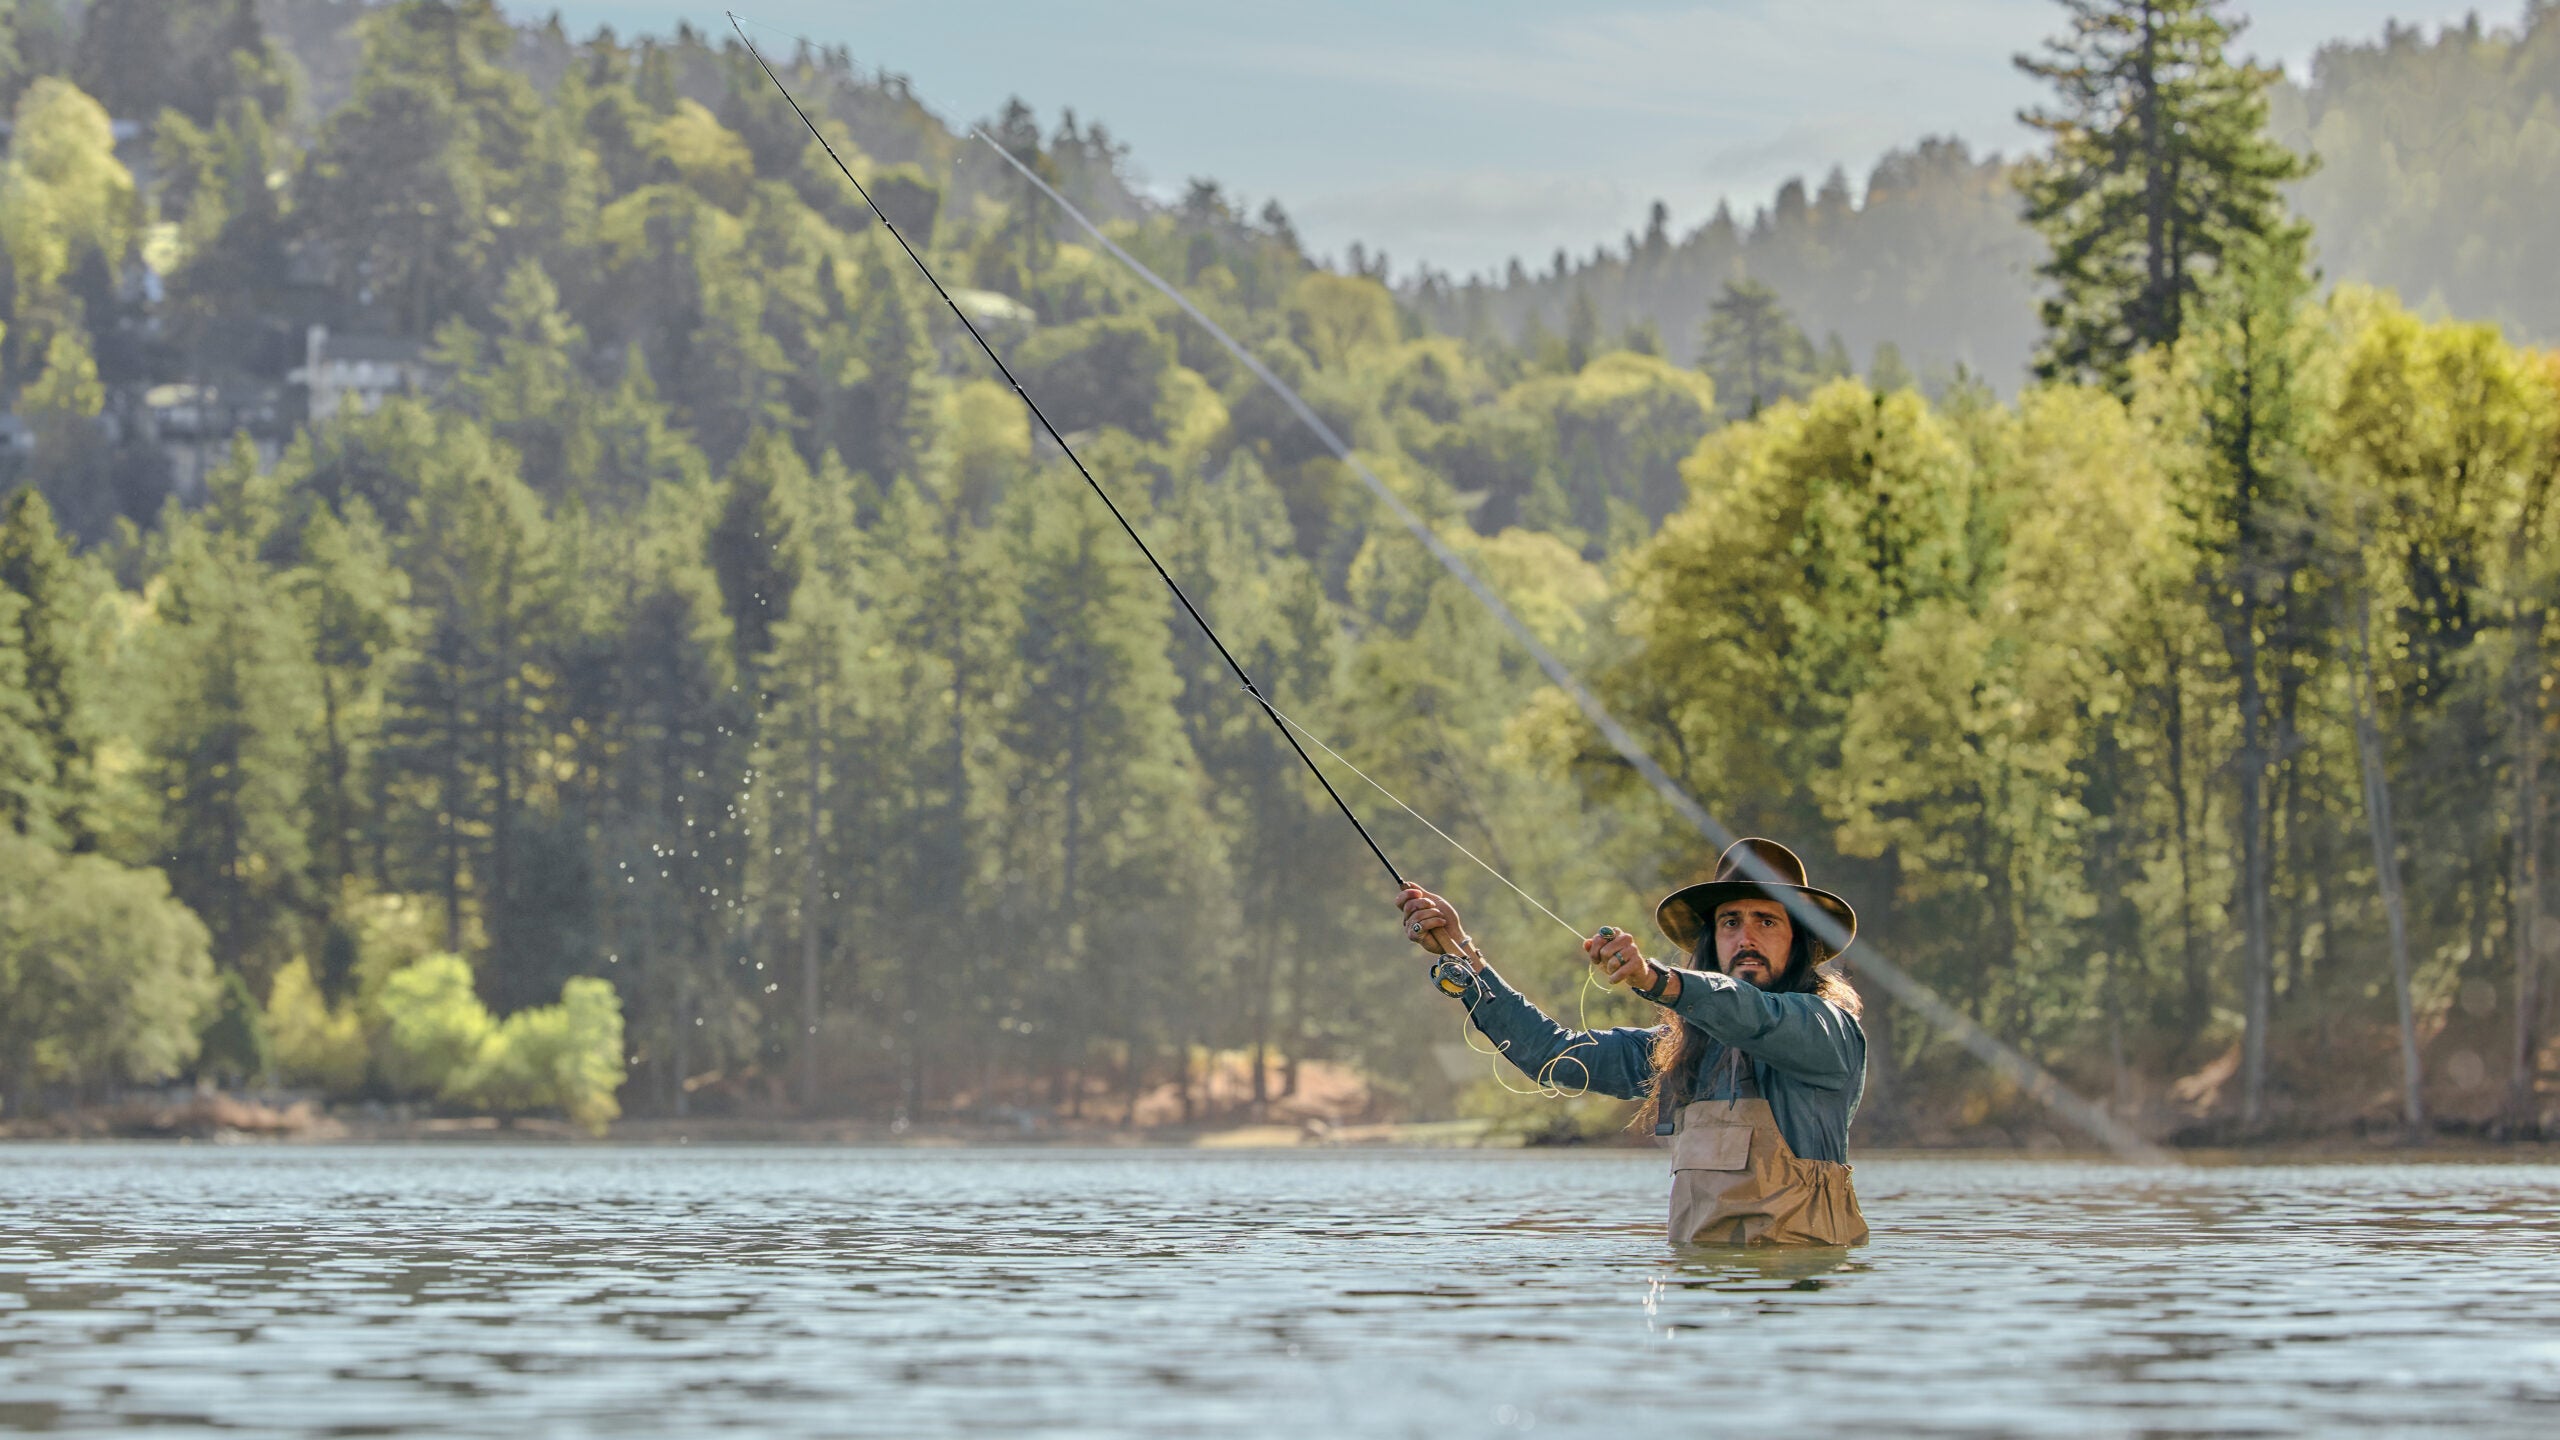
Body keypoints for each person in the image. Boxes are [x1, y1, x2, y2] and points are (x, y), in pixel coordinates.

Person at [1397, 837, 1869, 1246]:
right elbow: (1552, 1054)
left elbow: (1753, 1015)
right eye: (1730, 922)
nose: (1745, 937)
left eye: (1766, 921)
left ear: (1798, 942)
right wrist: (1463, 955)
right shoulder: (1678, 1051)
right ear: (1711, 941)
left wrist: (1654, 978)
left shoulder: (1827, 1029)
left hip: (1799, 1311)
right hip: (1702, 1300)